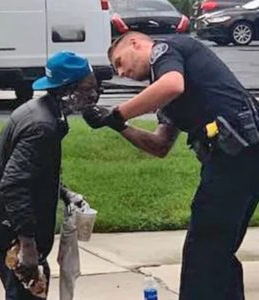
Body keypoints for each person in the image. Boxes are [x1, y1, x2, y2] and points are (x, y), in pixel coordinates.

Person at [82, 31, 259, 300]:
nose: (122, 72)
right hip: (236, 160)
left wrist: (118, 112)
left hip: (238, 155)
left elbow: (172, 85)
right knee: (216, 248)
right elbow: (160, 145)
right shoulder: (164, 88)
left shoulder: (166, 49)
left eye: (120, 62)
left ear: (135, 43)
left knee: (205, 248)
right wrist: (118, 126)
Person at [0, 51, 99, 300]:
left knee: (30, 284)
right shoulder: (42, 126)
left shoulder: (49, 112)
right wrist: (27, 244)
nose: (94, 95)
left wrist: (65, 193)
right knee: (30, 282)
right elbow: (14, 184)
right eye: (88, 88)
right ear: (67, 90)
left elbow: (34, 169)